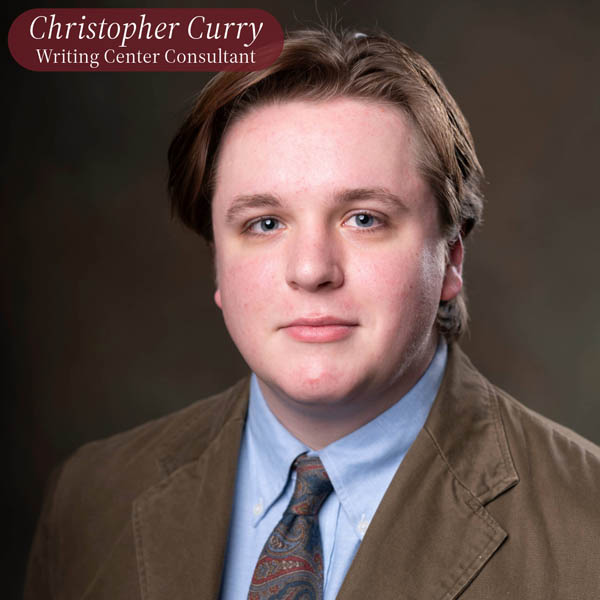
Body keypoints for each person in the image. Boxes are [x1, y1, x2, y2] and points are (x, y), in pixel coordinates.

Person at [25, 27, 599, 600]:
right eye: (265, 224)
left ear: (450, 259)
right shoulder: (90, 499)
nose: (311, 270)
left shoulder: (586, 528)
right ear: (218, 266)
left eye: (364, 218)